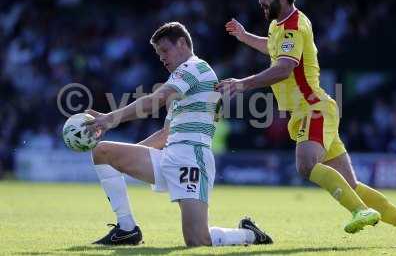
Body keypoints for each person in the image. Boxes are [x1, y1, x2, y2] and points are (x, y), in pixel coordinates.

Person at [217, 0, 396, 234]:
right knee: (352, 186)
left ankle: (360, 211)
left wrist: (242, 83)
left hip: (312, 108)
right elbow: (273, 47)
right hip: (311, 108)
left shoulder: (294, 25)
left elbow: (284, 68)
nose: (261, 1)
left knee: (306, 165)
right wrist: (245, 37)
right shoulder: (279, 25)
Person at [83, 22, 273, 246]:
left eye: (165, 50)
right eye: (158, 53)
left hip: (192, 159)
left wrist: (110, 118)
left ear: (182, 43)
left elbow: (156, 99)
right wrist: (130, 154)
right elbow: (166, 134)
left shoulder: (194, 68)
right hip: (170, 155)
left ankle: (249, 234)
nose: (162, 58)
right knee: (102, 151)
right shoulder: (182, 85)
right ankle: (126, 229)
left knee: (197, 240)